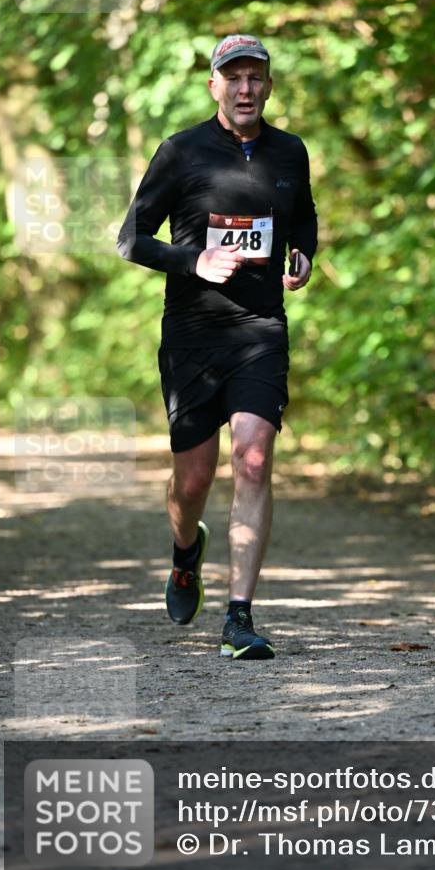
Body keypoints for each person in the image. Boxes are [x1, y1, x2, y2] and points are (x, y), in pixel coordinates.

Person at [116, 34, 317, 660]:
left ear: (270, 86)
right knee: (193, 480)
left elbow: (303, 215)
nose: (245, 88)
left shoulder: (291, 151)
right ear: (214, 86)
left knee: (253, 460)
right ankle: (185, 555)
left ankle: (239, 618)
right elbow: (130, 238)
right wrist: (193, 260)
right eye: (234, 77)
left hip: (260, 330)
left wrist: (304, 252)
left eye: (256, 77)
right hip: (192, 337)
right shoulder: (181, 151)